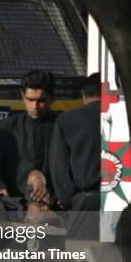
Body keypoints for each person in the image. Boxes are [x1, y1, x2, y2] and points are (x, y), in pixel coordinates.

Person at [0, 70, 58, 206]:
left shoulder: (62, 126)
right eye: (30, 100)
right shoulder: (9, 127)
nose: (35, 106)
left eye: (41, 100)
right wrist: (0, 189)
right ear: (22, 96)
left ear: (52, 98)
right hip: (15, 204)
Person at [49, 73, 101, 212]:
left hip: (84, 202)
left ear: (84, 96)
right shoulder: (126, 118)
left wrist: (67, 199)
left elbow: (58, 165)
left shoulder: (66, 120)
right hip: (123, 200)